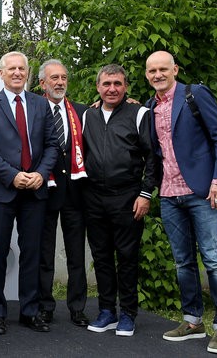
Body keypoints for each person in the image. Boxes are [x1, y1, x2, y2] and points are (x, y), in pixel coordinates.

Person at [145, 51, 217, 354]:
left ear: (175, 70)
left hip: (203, 192)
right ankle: (193, 321)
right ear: (146, 75)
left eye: (163, 69)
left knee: (212, 258)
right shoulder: (149, 107)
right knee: (183, 262)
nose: (157, 75)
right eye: (152, 71)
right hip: (169, 195)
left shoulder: (194, 94)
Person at [0, 51, 59, 335]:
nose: (16, 73)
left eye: (21, 69)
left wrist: (40, 174)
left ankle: (30, 311)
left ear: (27, 73)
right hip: (2, 190)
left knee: (32, 253)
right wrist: (13, 176)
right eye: (11, 69)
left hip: (35, 190)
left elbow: (52, 145)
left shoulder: (40, 104)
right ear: (1, 73)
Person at [83, 64, 157, 337]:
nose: (111, 89)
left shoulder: (139, 114)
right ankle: (106, 311)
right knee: (101, 257)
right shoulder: (87, 115)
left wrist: (145, 194)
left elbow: (152, 157)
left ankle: (128, 314)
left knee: (126, 257)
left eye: (117, 83)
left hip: (128, 197)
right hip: (93, 197)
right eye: (106, 84)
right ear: (98, 87)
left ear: (126, 86)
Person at [36, 59, 90, 327]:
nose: (60, 82)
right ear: (42, 83)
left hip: (75, 193)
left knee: (76, 252)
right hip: (45, 190)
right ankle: (45, 306)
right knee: (44, 252)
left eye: (64, 77)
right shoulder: (34, 110)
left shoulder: (81, 111)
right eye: (54, 78)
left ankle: (77, 307)